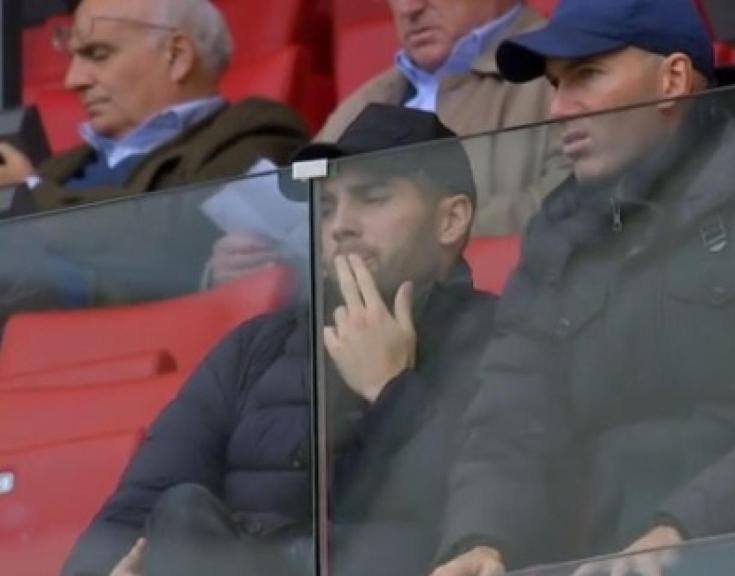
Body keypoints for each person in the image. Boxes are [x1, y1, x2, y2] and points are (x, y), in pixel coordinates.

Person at [431, 0, 735, 574]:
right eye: (555, 85)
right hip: (608, 559)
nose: (558, 109)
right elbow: (510, 419)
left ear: (672, 80)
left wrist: (687, 527)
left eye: (587, 75)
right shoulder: (557, 235)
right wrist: (482, 539)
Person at [60, 105, 496, 576]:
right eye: (326, 207)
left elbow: (490, 512)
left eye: (372, 197)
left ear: (450, 220)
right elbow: (134, 508)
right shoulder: (255, 348)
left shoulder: (506, 337)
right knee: (181, 512)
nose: (340, 225)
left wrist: (390, 389)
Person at [208, 0, 566, 287]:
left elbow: (576, 202)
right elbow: (301, 220)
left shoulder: (567, 71)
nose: (409, 8)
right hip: (341, 330)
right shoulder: (362, 101)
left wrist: (405, 241)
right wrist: (245, 263)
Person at [0, 0, 307, 216]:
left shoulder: (256, 130)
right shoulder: (59, 166)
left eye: (98, 54)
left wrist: (30, 193)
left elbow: (185, 238)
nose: (72, 80)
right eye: (73, 59)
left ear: (177, 56)